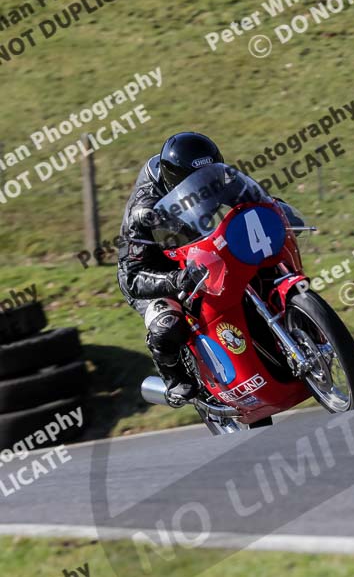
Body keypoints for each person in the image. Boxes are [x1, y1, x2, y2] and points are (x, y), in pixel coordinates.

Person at [117, 131, 304, 406]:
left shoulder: (215, 176)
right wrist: (176, 280)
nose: (202, 185)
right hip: (154, 272)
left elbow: (249, 199)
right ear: (172, 179)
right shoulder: (143, 207)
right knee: (167, 324)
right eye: (189, 181)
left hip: (198, 251)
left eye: (208, 176)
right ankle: (176, 379)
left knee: (258, 273)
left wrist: (278, 211)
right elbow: (130, 276)